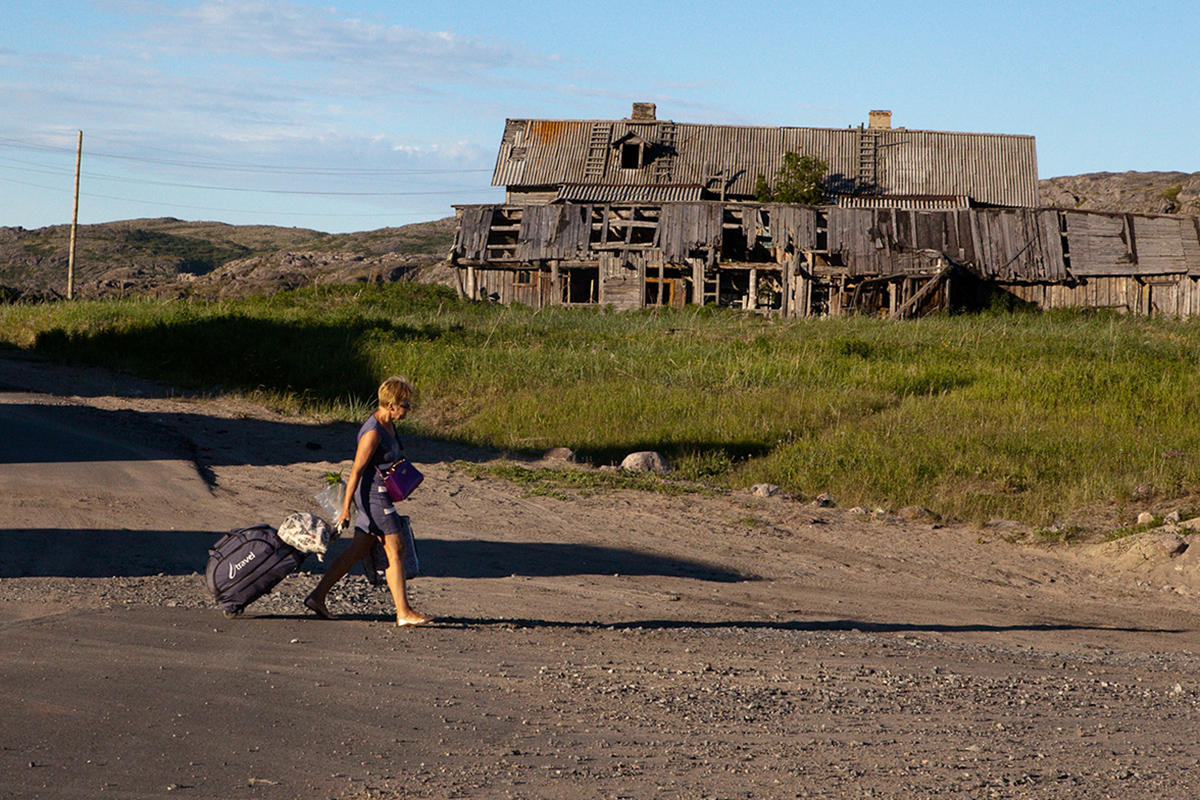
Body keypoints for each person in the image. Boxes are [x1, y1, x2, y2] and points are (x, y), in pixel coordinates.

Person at [305, 376, 434, 627]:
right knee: (396, 549)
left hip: (379, 493)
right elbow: (355, 472)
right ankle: (404, 612)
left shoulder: (389, 425)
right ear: (391, 405)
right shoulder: (373, 433)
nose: (408, 409)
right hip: (373, 496)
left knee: (358, 549)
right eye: (405, 404)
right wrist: (344, 511)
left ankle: (317, 597)